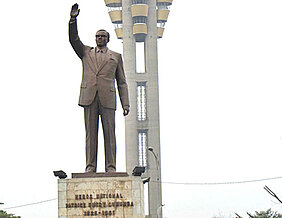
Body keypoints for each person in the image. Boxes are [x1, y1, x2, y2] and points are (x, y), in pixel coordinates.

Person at [69, 3, 130, 173]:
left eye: (103, 36)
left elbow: (122, 82)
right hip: (89, 96)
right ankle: (90, 167)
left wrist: (126, 103)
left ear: (108, 39)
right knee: (91, 136)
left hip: (108, 98)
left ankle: (111, 167)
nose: (100, 38)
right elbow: (74, 40)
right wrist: (73, 20)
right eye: (97, 36)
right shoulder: (86, 52)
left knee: (110, 134)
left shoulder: (116, 57)